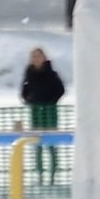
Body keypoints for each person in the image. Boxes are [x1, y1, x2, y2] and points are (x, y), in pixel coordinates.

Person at [20, 46, 66, 185]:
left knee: (51, 145)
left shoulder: (52, 74)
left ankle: (52, 175)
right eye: (33, 56)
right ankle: (39, 175)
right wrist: (29, 100)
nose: (36, 59)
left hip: (49, 112)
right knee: (37, 144)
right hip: (36, 113)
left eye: (38, 56)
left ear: (44, 57)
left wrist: (51, 101)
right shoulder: (29, 75)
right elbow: (24, 91)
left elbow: (60, 90)